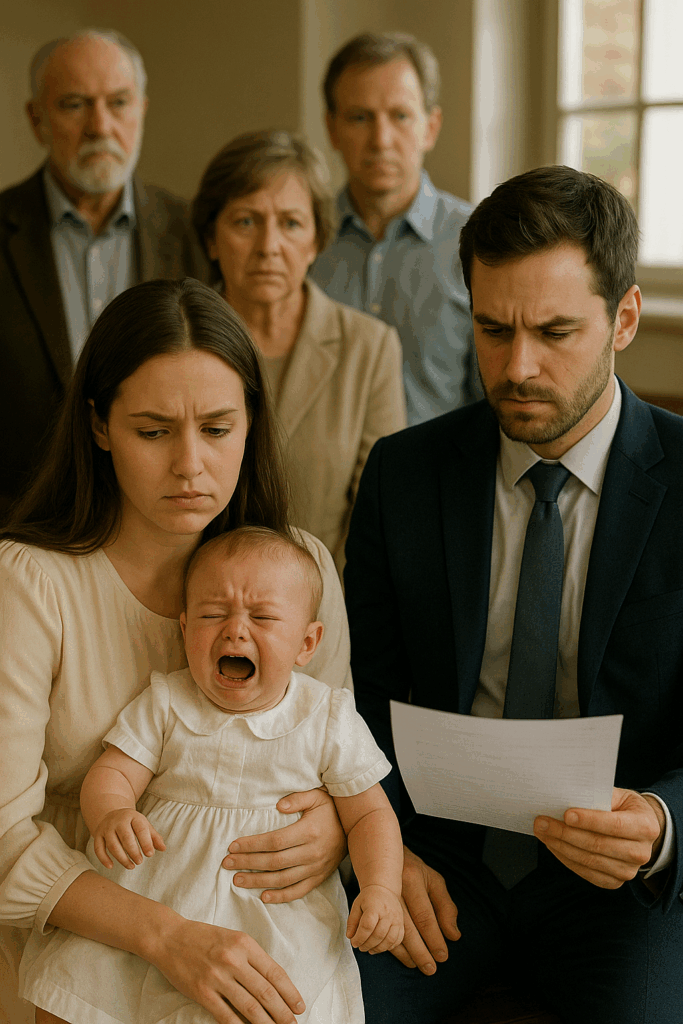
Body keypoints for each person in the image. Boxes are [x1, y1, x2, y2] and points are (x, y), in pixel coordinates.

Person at [344, 166, 683, 1023]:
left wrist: (661, 822)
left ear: (625, 320)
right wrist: (381, 849)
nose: (516, 366)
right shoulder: (403, 475)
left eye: (554, 331)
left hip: (618, 880)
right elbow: (359, 700)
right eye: (492, 330)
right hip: (437, 861)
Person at [0, 278, 353, 1024]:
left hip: (256, 926)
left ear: (251, 424)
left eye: (218, 429)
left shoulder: (305, 572)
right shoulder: (29, 583)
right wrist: (167, 937)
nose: (190, 464)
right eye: (154, 431)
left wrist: (329, 829)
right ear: (99, 426)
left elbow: (328, 752)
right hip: (67, 933)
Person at [20, 526, 404, 1024]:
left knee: (270, 1001)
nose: (236, 630)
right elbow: (115, 771)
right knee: (83, 992)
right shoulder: (167, 701)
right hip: (153, 890)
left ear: (307, 643)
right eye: (212, 614)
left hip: (269, 913)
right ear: (183, 630)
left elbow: (371, 813)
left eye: (262, 617)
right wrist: (111, 811)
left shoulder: (326, 716)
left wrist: (381, 888)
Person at [0, 29, 207, 512]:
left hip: (161, 525)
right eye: (75, 104)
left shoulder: (194, 232)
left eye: (118, 103)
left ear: (142, 110)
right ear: (37, 119)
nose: (100, 125)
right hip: (20, 531)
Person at [192, 130, 406, 574]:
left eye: (290, 223)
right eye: (245, 222)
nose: (268, 246)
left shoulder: (369, 347)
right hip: (188, 605)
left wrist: (311, 610)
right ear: (212, 239)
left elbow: (376, 515)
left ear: (315, 241)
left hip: (324, 610)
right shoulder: (176, 344)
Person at [309, 31, 477, 427]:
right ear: (332, 129)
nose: (380, 140)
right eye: (359, 118)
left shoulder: (477, 242)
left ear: (430, 127)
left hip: (442, 482)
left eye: (400, 116)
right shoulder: (302, 240)